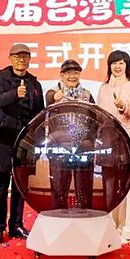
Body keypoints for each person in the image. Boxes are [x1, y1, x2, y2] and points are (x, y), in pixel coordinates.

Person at [0, 44, 45, 243]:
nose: (21, 60)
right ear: (10, 58)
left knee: (20, 185)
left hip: (25, 141)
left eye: (25, 57)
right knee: (1, 184)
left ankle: (16, 225)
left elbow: (40, 113)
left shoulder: (34, 83)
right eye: (18, 56)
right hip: (4, 139)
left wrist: (39, 139)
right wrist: (14, 94)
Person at [96, 50, 130, 242]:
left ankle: (126, 230)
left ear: (127, 66)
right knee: (109, 185)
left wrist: (122, 105)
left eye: (121, 63)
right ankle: (111, 226)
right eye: (114, 63)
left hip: (127, 139)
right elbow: (98, 115)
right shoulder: (103, 88)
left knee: (128, 187)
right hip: (107, 140)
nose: (117, 66)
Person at [45, 59, 96, 209]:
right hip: (59, 147)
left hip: (83, 148)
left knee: (84, 187)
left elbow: (94, 120)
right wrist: (56, 97)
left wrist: (90, 142)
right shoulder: (53, 93)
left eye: (76, 73)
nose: (72, 76)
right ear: (61, 75)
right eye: (68, 73)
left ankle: (85, 215)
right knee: (59, 187)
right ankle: (58, 216)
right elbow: (49, 100)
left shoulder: (86, 95)